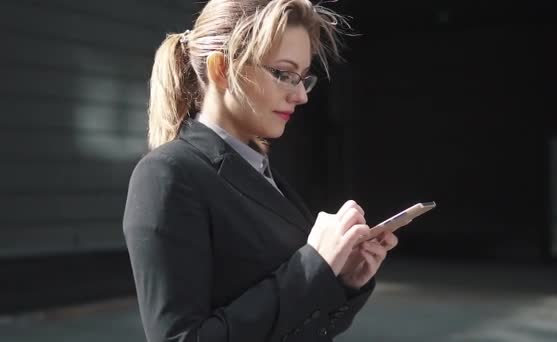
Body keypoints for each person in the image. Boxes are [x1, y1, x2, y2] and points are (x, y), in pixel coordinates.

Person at [122, 0, 399, 341]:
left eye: (303, 78)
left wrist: (341, 278)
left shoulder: (263, 173)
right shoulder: (167, 175)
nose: (301, 96)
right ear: (222, 69)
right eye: (283, 74)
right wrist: (313, 265)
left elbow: (304, 326)